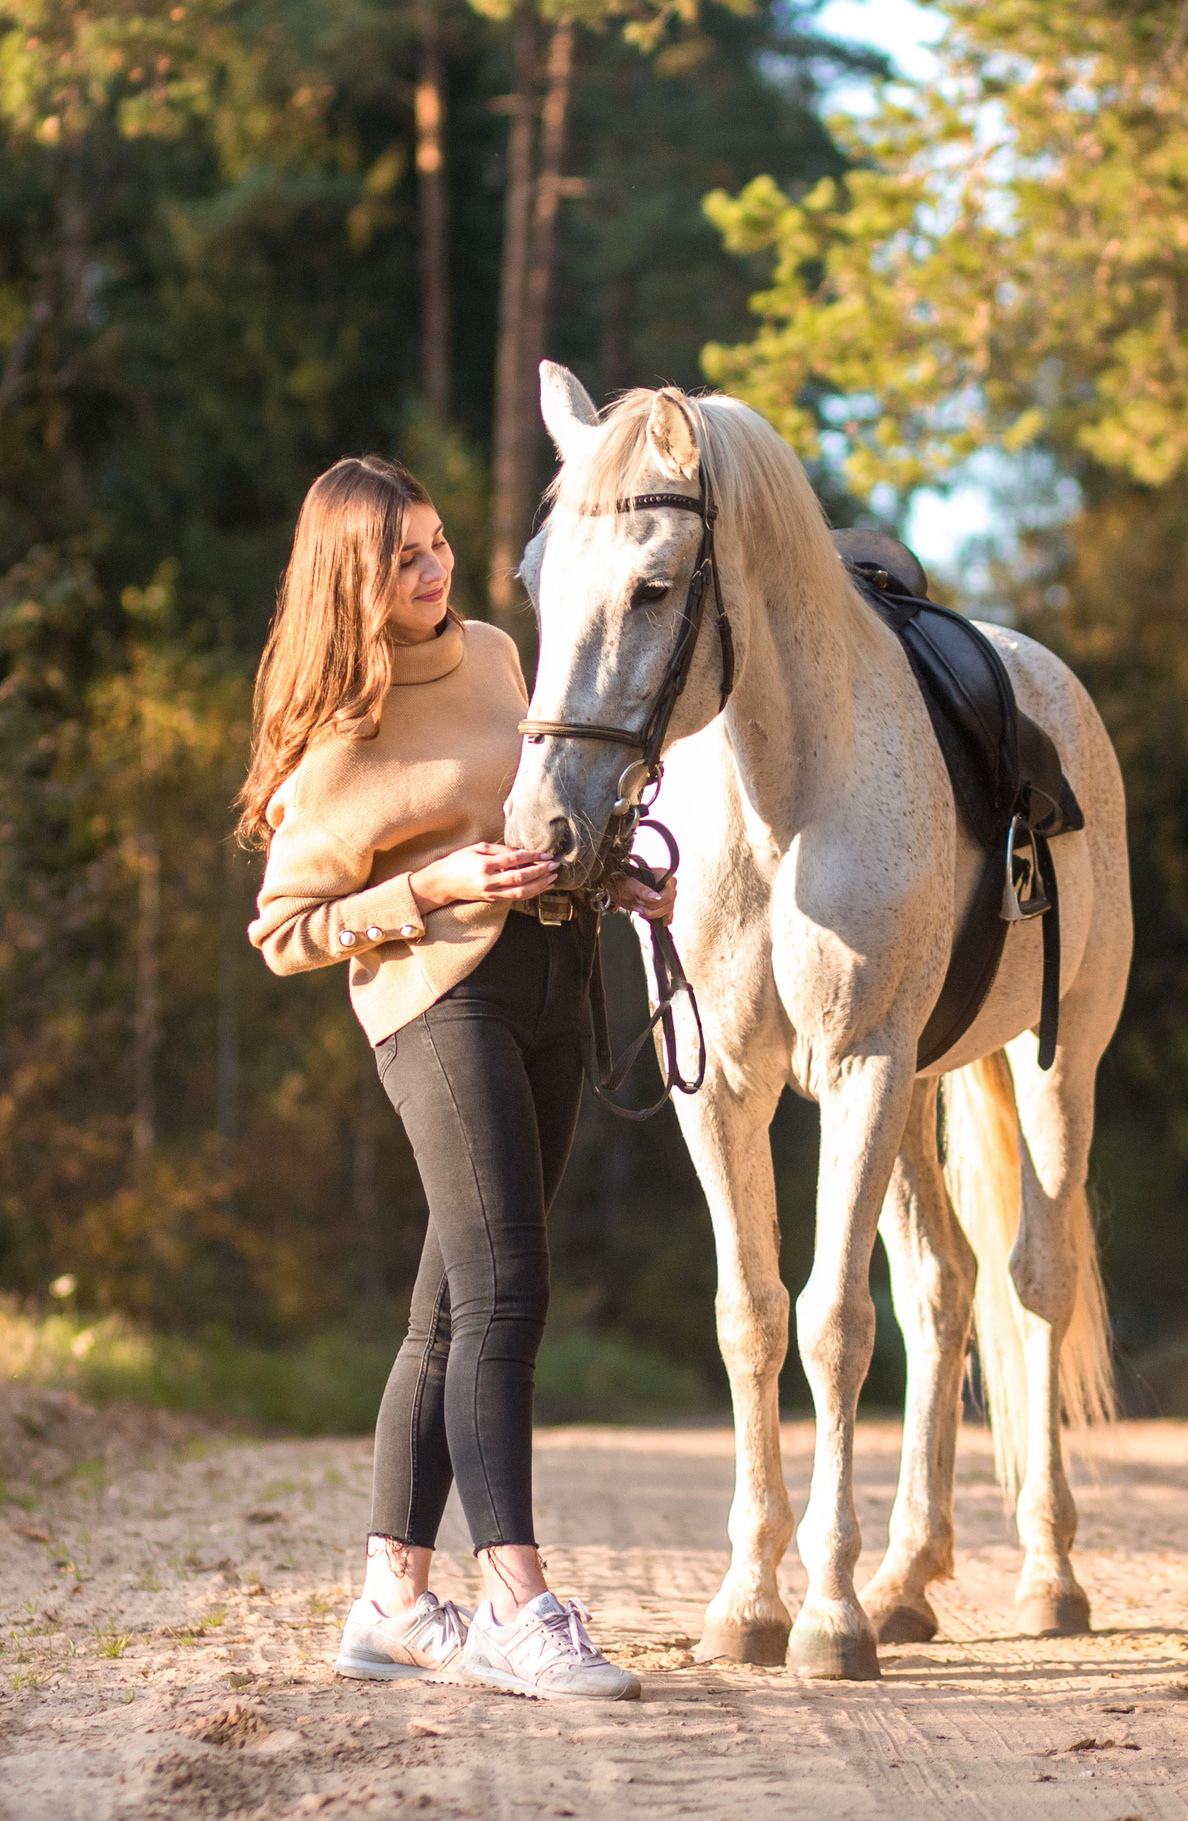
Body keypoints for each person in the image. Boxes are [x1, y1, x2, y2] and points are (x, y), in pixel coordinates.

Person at [239, 456, 673, 1702]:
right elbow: (285, 928)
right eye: (401, 558)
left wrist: (612, 877)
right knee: (505, 1296)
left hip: (555, 983)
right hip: (438, 1005)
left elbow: (533, 817)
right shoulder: (336, 737)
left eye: (435, 544)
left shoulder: (491, 653)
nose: (431, 572)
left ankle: (389, 1602)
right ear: (347, 582)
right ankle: (518, 1607)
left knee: (446, 1315)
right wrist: (430, 886)